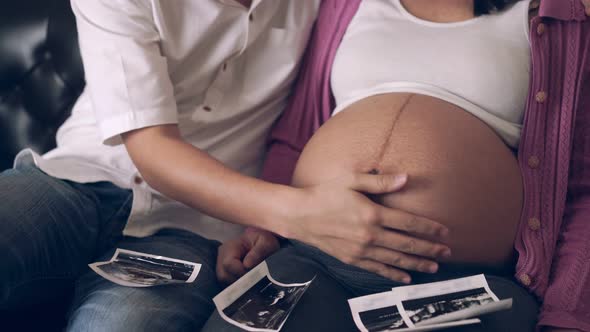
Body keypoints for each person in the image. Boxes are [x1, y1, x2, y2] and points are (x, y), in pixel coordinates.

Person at [0, 0, 458, 331]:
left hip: (195, 232)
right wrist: (300, 215)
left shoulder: (323, 8)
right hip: (78, 180)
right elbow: (154, 149)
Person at [212, 0, 590, 331]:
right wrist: (264, 227)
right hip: (316, 256)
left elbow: (581, 189)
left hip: (459, 282)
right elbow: (296, 136)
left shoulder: (564, 19)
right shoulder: (345, 5)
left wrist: (568, 312)